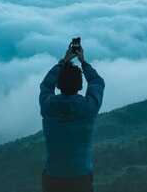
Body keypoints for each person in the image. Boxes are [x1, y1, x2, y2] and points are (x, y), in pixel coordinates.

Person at [39, 41, 105, 192]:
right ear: (81, 86)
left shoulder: (48, 106)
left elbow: (45, 86)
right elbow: (97, 82)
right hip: (80, 177)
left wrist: (63, 62)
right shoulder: (88, 108)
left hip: (53, 176)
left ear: (58, 85)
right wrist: (83, 62)